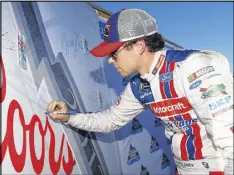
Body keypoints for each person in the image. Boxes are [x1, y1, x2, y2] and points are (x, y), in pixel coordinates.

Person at [46, 9, 233, 175]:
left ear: (139, 46)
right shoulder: (139, 86)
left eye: (113, 53)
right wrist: (68, 117)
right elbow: (110, 120)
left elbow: (228, 132)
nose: (110, 61)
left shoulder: (192, 66)